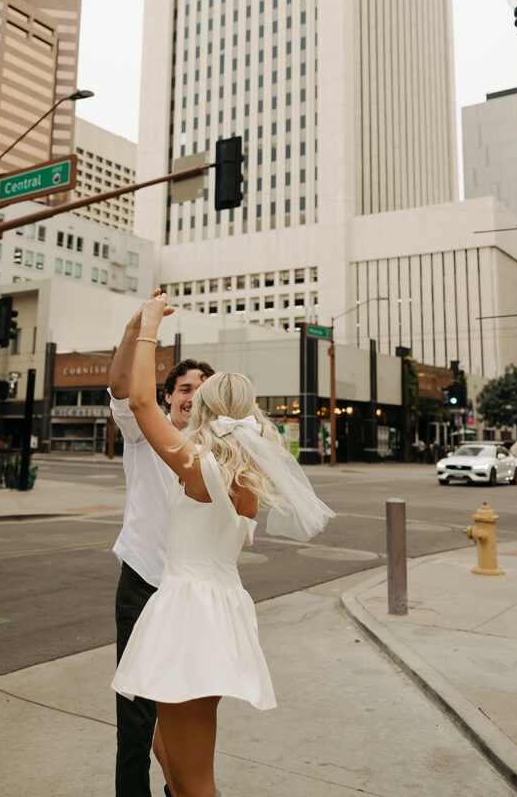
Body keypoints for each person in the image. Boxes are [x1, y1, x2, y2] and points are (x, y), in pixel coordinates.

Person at [112, 293, 335, 797]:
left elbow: (143, 401)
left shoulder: (199, 469)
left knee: (195, 784)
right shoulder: (246, 476)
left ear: (206, 414)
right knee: (175, 763)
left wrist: (147, 325)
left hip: (188, 610)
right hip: (217, 608)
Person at [109, 291, 214, 797]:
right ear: (170, 395)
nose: (193, 394)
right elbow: (123, 388)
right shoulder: (141, 430)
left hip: (189, 591)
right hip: (142, 581)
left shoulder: (215, 453)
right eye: (185, 386)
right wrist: (135, 330)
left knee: (182, 711)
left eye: (203, 389)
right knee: (135, 721)